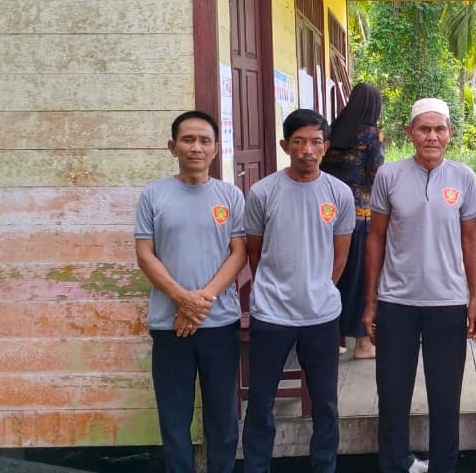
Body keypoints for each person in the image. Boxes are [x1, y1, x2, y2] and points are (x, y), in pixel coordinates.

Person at [363, 97, 476, 473]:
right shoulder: (389, 175)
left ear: (449, 134)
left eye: (439, 129)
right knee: (392, 394)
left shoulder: (463, 177)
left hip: (447, 302)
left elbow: (470, 240)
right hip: (396, 301)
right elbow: (375, 238)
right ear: (410, 133)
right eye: (424, 129)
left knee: (445, 396)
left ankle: (443, 466)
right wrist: (371, 301)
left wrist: (475, 298)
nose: (432, 136)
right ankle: (393, 465)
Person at [241, 109, 355, 473]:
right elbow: (255, 253)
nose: (308, 150)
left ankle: (324, 466)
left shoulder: (339, 194)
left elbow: (340, 257)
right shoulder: (263, 192)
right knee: (261, 402)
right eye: (299, 142)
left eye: (316, 142)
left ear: (326, 147)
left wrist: (318, 287)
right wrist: (275, 288)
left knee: (325, 404)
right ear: (284, 145)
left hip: (321, 315)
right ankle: (257, 467)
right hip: (271, 315)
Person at [135, 110, 247, 473]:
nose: (196, 147)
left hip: (219, 323)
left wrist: (200, 302)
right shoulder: (154, 195)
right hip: (170, 326)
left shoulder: (230, 196)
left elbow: (239, 253)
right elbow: (145, 254)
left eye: (204, 141)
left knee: (223, 417)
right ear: (173, 147)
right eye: (187, 140)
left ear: (216, 148)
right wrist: (182, 299)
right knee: (174, 417)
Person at [321, 83, 386, 359]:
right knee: (361, 278)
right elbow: (377, 176)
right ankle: (362, 343)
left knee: (335, 276)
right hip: (361, 217)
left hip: (329, 215)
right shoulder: (372, 135)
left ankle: (333, 339)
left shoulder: (332, 130)